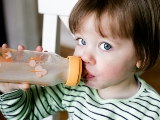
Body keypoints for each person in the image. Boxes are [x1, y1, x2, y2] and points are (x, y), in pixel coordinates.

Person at [0, 0, 160, 119]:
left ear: (141, 56)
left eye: (105, 46)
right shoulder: (70, 89)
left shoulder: (151, 111)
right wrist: (13, 91)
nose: (84, 57)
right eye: (81, 41)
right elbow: (23, 114)